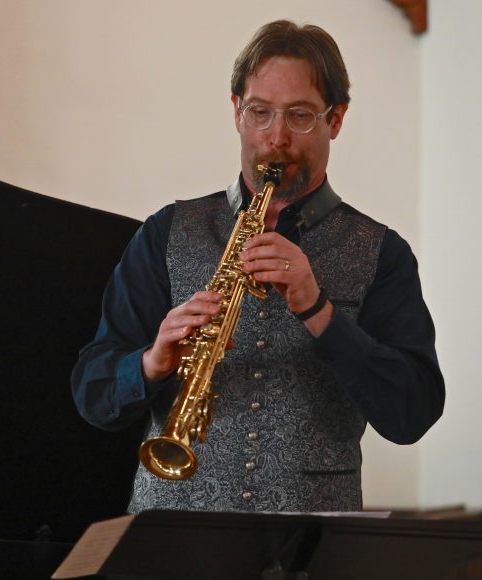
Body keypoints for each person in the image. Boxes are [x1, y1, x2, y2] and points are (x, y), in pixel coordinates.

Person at [71, 20, 444, 513]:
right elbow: (93, 392)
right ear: (236, 113)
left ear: (337, 119)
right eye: (260, 112)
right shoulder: (167, 231)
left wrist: (321, 312)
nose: (276, 137)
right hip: (170, 537)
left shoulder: (383, 252)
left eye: (300, 116)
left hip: (310, 540)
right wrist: (150, 362)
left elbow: (412, 412)